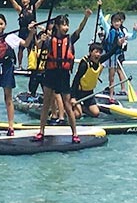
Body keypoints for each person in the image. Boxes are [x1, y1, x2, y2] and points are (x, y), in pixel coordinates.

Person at [34, 9, 93, 142]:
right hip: (50, 73)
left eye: (67, 25)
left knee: (67, 104)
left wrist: (86, 18)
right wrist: (38, 37)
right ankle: (41, 131)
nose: (66, 27)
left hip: (64, 74)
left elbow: (79, 30)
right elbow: (37, 47)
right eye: (63, 25)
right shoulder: (49, 40)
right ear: (57, 26)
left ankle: (75, 133)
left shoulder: (70, 39)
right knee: (46, 103)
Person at [6, 0, 54, 96]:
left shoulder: (33, 9)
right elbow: (13, 2)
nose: (24, 1)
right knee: (21, 49)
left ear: (28, 0)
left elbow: (40, 1)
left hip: (31, 32)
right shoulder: (20, 10)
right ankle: (20, 65)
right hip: (22, 31)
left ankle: (30, 65)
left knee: (31, 49)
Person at [101, 11, 137, 99]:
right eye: (115, 21)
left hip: (115, 57)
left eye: (118, 21)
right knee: (100, 72)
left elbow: (133, 37)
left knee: (112, 77)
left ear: (121, 22)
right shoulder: (108, 29)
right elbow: (102, 20)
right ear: (112, 22)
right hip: (107, 56)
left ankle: (111, 96)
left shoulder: (122, 32)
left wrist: (135, 31)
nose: (117, 23)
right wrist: (100, 8)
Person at [70, 40, 108, 119]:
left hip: (89, 93)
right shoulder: (84, 64)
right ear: (90, 52)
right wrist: (73, 97)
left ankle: (82, 107)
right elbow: (76, 80)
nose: (98, 54)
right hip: (78, 92)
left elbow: (109, 54)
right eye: (96, 52)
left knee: (96, 113)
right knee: (77, 115)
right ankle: (67, 108)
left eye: (100, 52)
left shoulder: (99, 60)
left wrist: (118, 45)